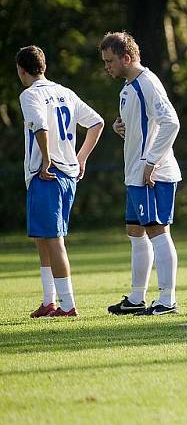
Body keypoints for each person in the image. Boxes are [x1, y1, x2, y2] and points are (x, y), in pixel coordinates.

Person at [17, 45, 104, 317]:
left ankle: (67, 305)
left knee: (54, 239)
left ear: (21, 70)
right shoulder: (64, 92)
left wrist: (45, 160)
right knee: (43, 238)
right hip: (67, 174)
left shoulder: (30, 94)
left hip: (48, 174)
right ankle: (49, 301)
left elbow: (41, 127)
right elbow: (96, 122)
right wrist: (82, 158)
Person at [100, 32, 182, 316]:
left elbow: (171, 123)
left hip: (154, 173)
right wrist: (120, 128)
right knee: (136, 232)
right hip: (136, 172)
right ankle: (136, 298)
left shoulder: (148, 83)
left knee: (157, 232)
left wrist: (150, 161)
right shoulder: (127, 87)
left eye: (110, 61)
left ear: (126, 58)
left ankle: (167, 300)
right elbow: (144, 127)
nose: (107, 66)